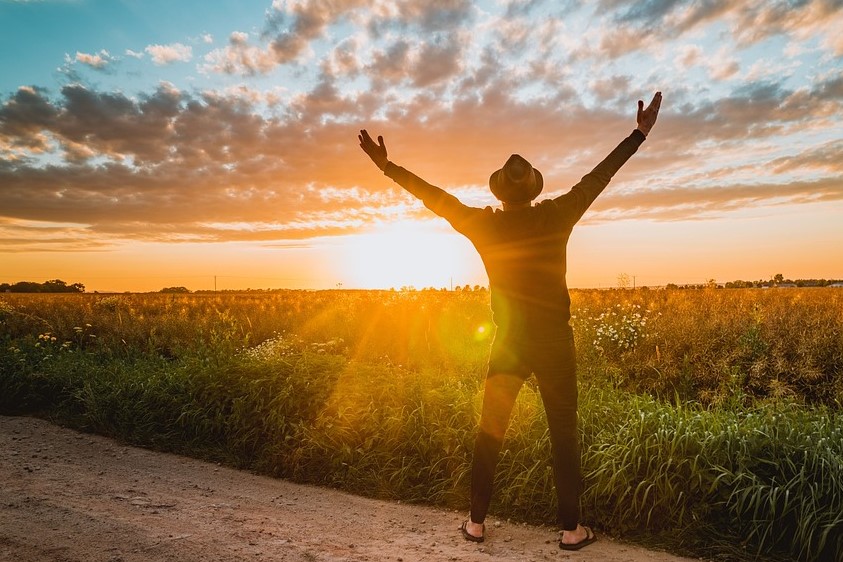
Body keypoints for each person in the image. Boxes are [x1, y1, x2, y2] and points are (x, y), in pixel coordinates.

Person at [358, 91, 662, 550]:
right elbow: (599, 176)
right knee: (563, 432)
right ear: (534, 188)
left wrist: (387, 167)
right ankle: (571, 531)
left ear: (499, 193)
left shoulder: (484, 225)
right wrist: (637, 135)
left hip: (508, 342)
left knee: (490, 430)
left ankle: (476, 523)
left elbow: (434, 198)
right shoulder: (559, 214)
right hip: (555, 342)